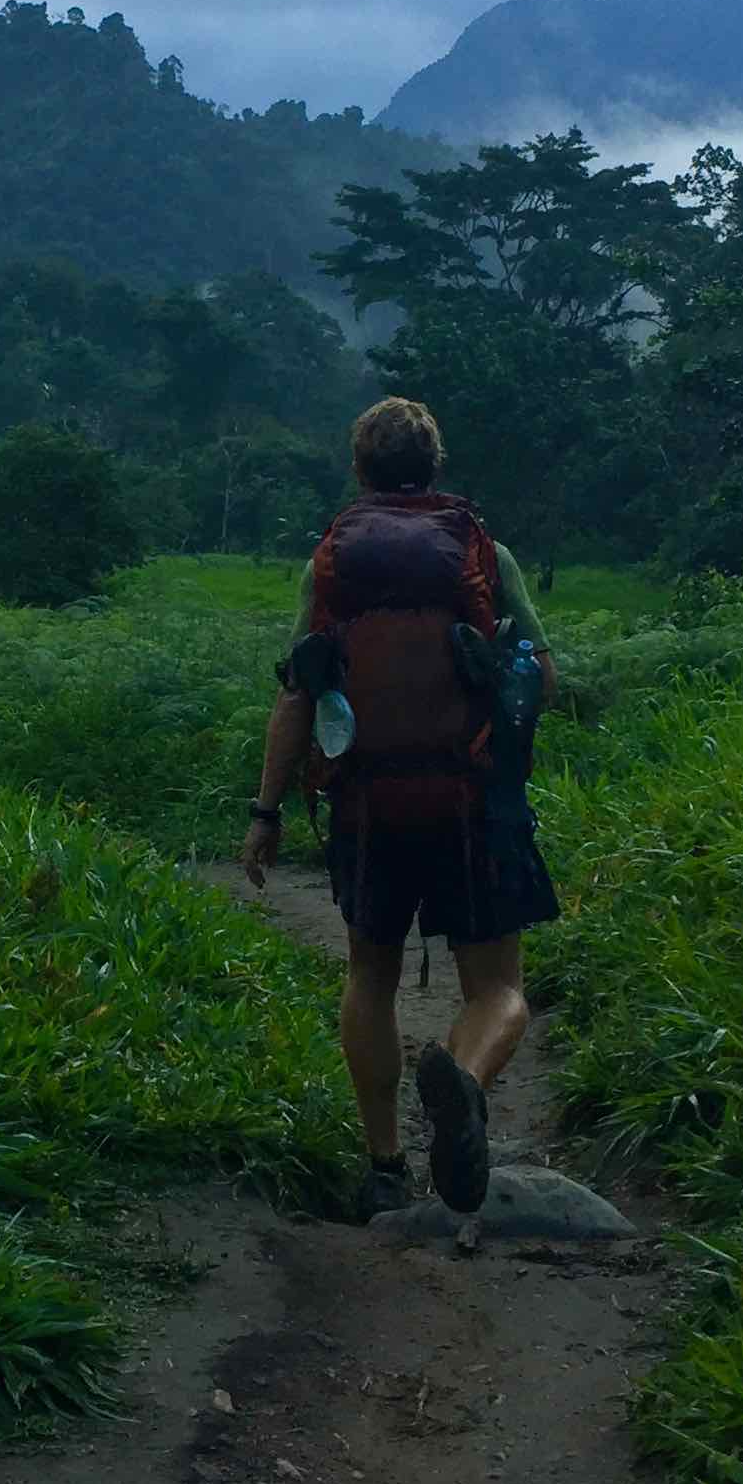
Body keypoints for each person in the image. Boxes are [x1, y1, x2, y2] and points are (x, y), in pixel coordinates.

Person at [241, 397, 561, 1223]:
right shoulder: (485, 553)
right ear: (435, 467)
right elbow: (542, 679)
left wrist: (266, 811)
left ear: (360, 470)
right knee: (497, 988)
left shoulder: (332, 565)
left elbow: (297, 695)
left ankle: (385, 1167)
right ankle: (464, 1080)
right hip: (471, 799)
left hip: (368, 803)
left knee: (369, 975)